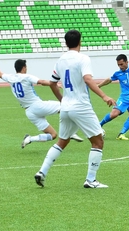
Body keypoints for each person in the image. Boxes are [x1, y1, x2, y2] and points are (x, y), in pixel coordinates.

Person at [34, 29, 116, 189]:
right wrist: (104, 96)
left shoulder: (60, 60)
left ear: (66, 43)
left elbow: (52, 83)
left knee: (62, 141)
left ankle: (42, 172)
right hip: (81, 106)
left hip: (66, 107)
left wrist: (62, 99)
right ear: (80, 42)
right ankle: (90, 180)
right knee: (98, 141)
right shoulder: (83, 58)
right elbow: (87, 79)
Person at [0, 56, 83, 148]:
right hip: (37, 106)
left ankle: (30, 139)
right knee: (66, 106)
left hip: (29, 112)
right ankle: (71, 132)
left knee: (53, 135)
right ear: (24, 67)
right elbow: (41, 81)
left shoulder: (10, 77)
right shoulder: (26, 77)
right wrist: (54, 84)